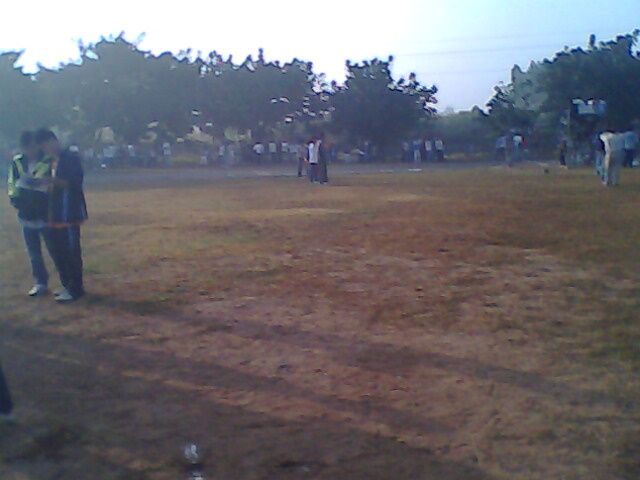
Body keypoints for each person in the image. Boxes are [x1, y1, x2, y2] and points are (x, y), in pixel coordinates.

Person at [35, 128, 88, 303]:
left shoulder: (70, 157)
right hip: (57, 214)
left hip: (70, 213)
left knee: (72, 253)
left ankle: (76, 289)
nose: (45, 150)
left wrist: (51, 181)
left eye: (45, 146)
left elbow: (73, 182)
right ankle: (67, 285)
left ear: (52, 141)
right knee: (60, 252)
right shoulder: (54, 161)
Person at [7, 131, 56, 297]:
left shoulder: (48, 160)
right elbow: (12, 183)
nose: (30, 150)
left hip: (45, 212)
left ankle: (67, 281)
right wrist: (16, 201)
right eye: (26, 147)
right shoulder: (17, 162)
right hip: (25, 212)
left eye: (32, 147)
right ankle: (40, 283)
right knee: (34, 253)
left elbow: (53, 184)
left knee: (55, 249)